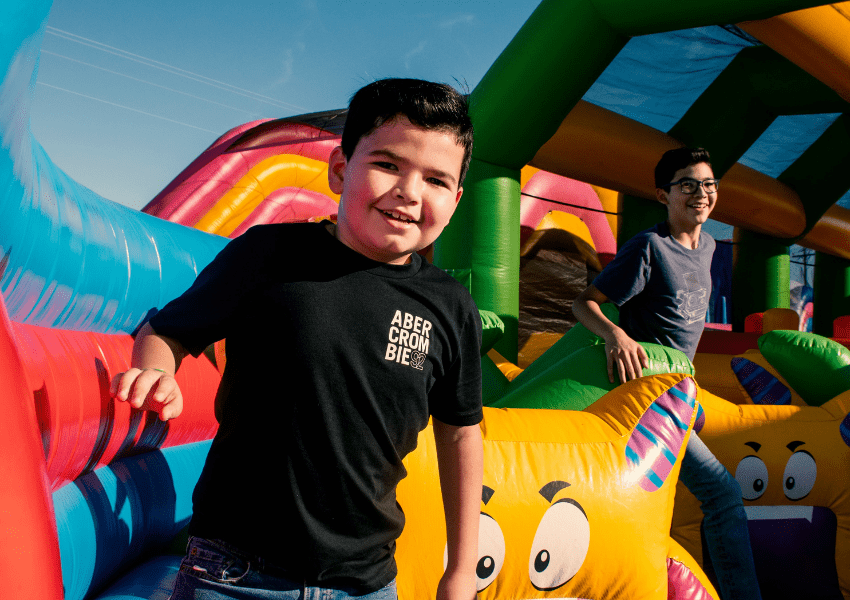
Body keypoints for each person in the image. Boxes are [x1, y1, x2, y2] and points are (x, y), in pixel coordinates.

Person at [110, 78, 483, 600]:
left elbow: (462, 434)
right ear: (339, 169)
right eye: (388, 165)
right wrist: (157, 371)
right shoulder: (269, 255)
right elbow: (167, 331)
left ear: (457, 199)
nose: (410, 191)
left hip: (366, 583)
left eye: (437, 180)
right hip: (234, 572)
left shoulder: (449, 307)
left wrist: (461, 569)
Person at [572, 147, 762, 600]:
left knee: (705, 502)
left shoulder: (712, 247)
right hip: (645, 398)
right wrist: (617, 335)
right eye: (689, 185)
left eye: (709, 184)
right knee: (722, 494)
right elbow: (584, 303)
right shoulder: (649, 248)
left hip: (681, 395)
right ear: (664, 194)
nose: (702, 193)